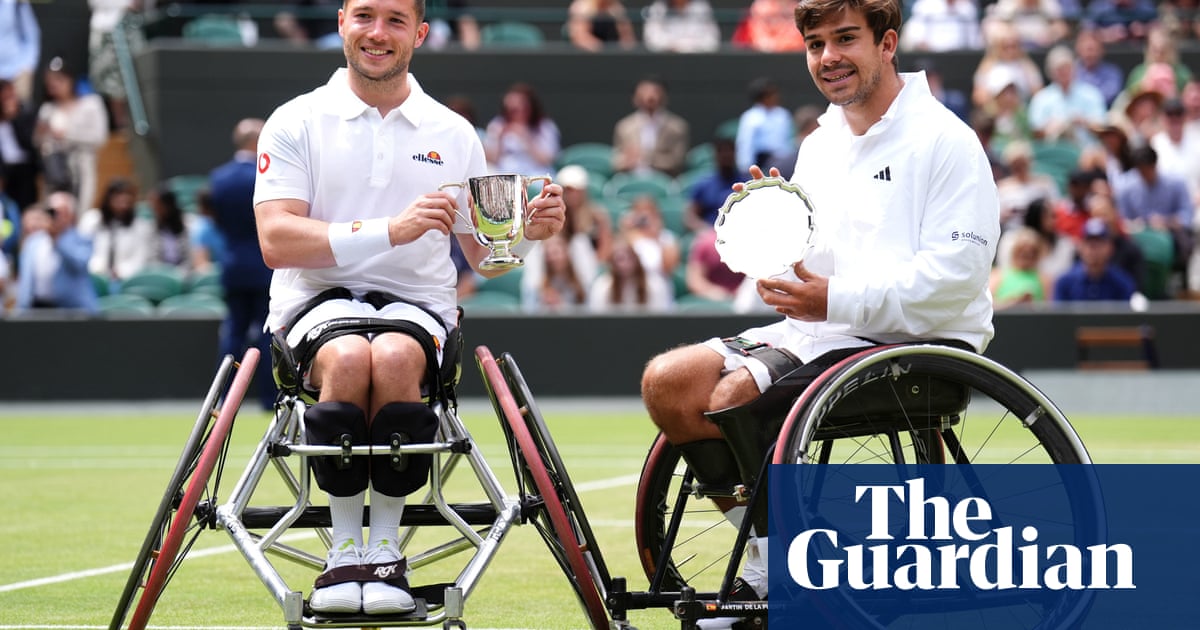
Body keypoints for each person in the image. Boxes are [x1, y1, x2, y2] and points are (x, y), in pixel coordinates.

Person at [639, 0, 999, 625]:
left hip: (918, 347)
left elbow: (955, 279)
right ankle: (779, 554)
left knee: (731, 400)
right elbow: (805, 263)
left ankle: (778, 570)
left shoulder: (948, 140)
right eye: (814, 44)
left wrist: (832, 298)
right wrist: (766, 238)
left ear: (887, 44)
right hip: (819, 334)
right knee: (668, 384)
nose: (828, 57)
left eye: (845, 38)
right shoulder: (819, 144)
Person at [252, 0, 565, 616]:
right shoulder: (294, 120)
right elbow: (276, 240)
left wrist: (530, 233)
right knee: (348, 357)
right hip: (313, 303)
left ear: (419, 34)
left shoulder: (452, 131)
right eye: (365, 15)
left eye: (396, 20)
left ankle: (385, 551)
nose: (378, 33)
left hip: (416, 307)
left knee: (392, 356)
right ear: (342, 22)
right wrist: (387, 231)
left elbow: (485, 256)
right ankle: (345, 550)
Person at [209, 117, 276, 411]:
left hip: (233, 265)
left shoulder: (218, 177)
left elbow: (220, 222)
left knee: (233, 332)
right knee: (265, 334)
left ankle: (223, 399)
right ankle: (268, 399)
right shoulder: (266, 176)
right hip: (264, 266)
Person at [34, 56, 109, 210]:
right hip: (55, 170)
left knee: (80, 212)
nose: (54, 84)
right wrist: (40, 133)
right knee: (55, 213)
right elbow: (37, 142)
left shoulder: (91, 104)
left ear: (70, 79)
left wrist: (66, 135)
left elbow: (99, 137)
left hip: (82, 166)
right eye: (50, 80)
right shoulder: (47, 109)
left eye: (59, 79)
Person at [15, 191, 97, 313]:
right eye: (51, 212)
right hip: (36, 309)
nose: (55, 216)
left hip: (71, 311)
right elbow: (26, 280)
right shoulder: (33, 242)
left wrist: (57, 241)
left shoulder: (82, 239)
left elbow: (79, 265)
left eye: (60, 212)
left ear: (71, 215)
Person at [77, 177, 154, 291]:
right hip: (93, 277)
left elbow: (140, 258)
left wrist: (121, 272)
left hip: (126, 279)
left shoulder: (140, 226)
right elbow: (82, 250)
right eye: (118, 198)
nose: (122, 204)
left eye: (127, 200)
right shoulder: (91, 220)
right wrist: (98, 269)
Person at [1027, 45, 1107, 148]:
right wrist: (1050, 127)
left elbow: (1103, 128)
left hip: (1086, 150)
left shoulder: (1091, 94)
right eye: (1059, 69)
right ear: (1050, 72)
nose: (1064, 72)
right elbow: (1035, 132)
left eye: (1067, 67)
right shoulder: (1041, 98)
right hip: (1053, 151)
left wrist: (1084, 122)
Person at [611, 76, 691, 178]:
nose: (650, 96)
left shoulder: (677, 127)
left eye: (655, 91)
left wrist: (646, 158)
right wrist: (626, 162)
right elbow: (616, 160)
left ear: (663, 95)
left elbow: (678, 161)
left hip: (665, 179)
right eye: (644, 91)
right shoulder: (624, 126)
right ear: (635, 97)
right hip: (630, 178)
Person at [482, 82, 560, 177]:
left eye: (519, 109)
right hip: (504, 175)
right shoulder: (497, 124)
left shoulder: (544, 126)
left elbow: (547, 160)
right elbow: (490, 159)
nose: (515, 114)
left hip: (535, 175)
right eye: (510, 110)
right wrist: (499, 140)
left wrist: (526, 138)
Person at [1053, 217, 1139, 301]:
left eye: (1099, 243)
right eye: (1089, 243)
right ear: (1080, 246)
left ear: (1110, 248)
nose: (1093, 249)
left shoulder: (1122, 283)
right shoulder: (1065, 283)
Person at [587, 236, 673, 312]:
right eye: (620, 259)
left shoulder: (655, 285)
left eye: (630, 257)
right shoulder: (602, 287)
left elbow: (660, 318)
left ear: (637, 259)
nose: (626, 263)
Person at [734, 77, 796, 176]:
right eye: (771, 94)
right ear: (762, 97)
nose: (775, 97)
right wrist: (746, 168)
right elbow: (745, 143)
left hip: (782, 162)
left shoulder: (783, 114)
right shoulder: (750, 117)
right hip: (760, 162)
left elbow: (788, 140)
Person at [0, 78, 39, 211]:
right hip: (3, 171)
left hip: (24, 170)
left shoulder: (24, 111)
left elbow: (28, 142)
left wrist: (14, 117)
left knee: (26, 207)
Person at [899, 0, 983, 53]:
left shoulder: (967, 8)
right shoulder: (925, 5)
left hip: (960, 58)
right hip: (931, 57)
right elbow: (915, 36)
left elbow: (974, 42)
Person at [0, 0, 40, 105]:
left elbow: (32, 34)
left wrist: (27, 66)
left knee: (20, 114)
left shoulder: (16, 3)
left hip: (16, 73)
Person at [642, 0, 721, 53]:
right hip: (666, 61)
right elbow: (653, 41)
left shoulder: (701, 7)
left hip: (697, 62)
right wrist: (675, 46)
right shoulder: (659, 7)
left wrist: (685, 47)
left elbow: (711, 41)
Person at [1073, 28, 1125, 108]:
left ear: (1102, 50)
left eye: (1093, 50)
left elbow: (1109, 96)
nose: (1090, 54)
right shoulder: (1071, 72)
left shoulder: (1113, 73)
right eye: (1087, 50)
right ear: (1078, 50)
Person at [731, 0, 806, 52]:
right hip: (759, 62)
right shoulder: (760, 8)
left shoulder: (798, 10)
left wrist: (778, 45)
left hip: (791, 62)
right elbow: (759, 41)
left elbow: (799, 42)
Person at [566, 0, 637, 52]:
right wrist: (603, 50)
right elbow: (580, 38)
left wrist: (621, 50)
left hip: (614, 59)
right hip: (585, 58)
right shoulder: (581, 7)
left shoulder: (617, 8)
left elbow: (627, 38)